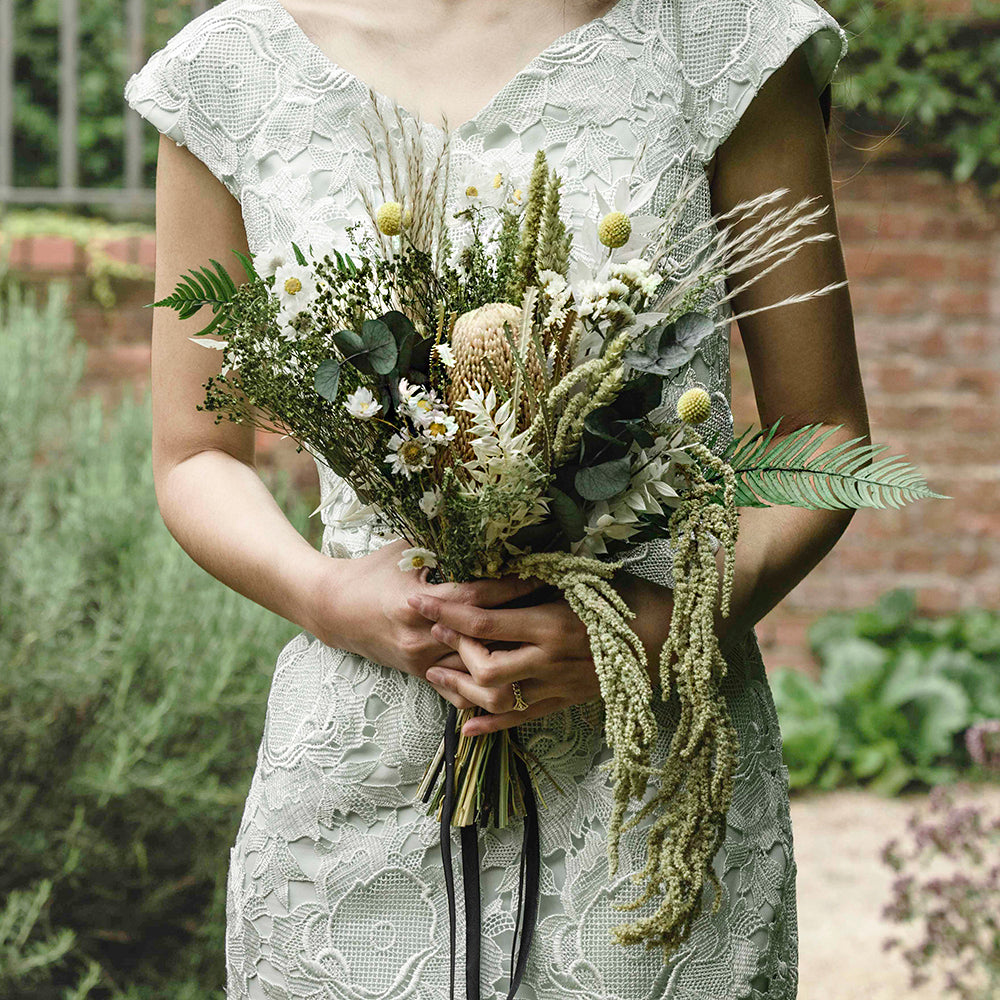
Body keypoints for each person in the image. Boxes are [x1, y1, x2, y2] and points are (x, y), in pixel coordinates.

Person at [124, 0, 865, 996]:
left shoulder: (726, 42)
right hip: (355, 782)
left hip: (651, 797)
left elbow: (822, 438)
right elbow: (194, 456)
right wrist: (325, 595)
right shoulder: (232, 69)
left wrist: (651, 626)